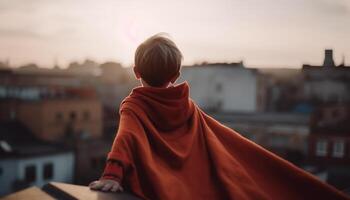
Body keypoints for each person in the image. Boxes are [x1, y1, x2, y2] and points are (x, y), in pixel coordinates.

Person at [89, 33, 349, 200]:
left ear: (135, 71)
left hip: (156, 185)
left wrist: (112, 174)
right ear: (176, 75)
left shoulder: (134, 104)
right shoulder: (186, 105)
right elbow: (223, 139)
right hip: (194, 186)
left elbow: (126, 137)